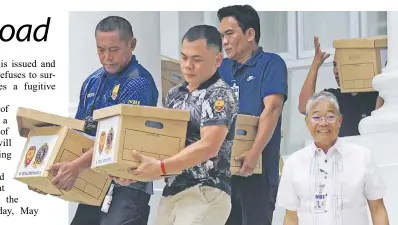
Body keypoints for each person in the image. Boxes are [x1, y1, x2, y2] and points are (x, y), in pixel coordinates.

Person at [29, 16, 159, 225]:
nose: (107, 57)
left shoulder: (138, 83)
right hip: (94, 181)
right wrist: (46, 175)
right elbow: (79, 133)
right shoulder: (92, 81)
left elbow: (118, 139)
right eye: (101, 49)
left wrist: (75, 166)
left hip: (127, 187)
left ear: (132, 44)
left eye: (114, 49)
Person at [125, 25, 238, 225]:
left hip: (205, 191)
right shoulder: (174, 94)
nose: (187, 65)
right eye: (184, 57)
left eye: (196, 59)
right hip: (172, 191)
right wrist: (134, 170)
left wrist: (159, 167)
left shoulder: (219, 93)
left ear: (218, 60)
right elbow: (166, 144)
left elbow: (209, 146)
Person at [217, 5, 288, 225]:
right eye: (222, 36)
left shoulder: (271, 64)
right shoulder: (221, 68)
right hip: (223, 174)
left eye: (230, 33)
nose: (225, 41)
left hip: (258, 171)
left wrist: (254, 152)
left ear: (250, 34)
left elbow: (273, 108)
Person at [278, 91, 389, 225]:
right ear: (307, 122)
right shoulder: (293, 163)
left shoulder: (363, 157)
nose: (323, 123)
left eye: (330, 116)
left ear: (340, 120)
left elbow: (377, 208)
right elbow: (290, 216)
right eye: (317, 117)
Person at [298, 36, 384, 137]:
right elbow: (304, 107)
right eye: (334, 65)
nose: (336, 71)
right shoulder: (333, 97)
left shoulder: (375, 95)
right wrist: (315, 65)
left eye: (341, 65)